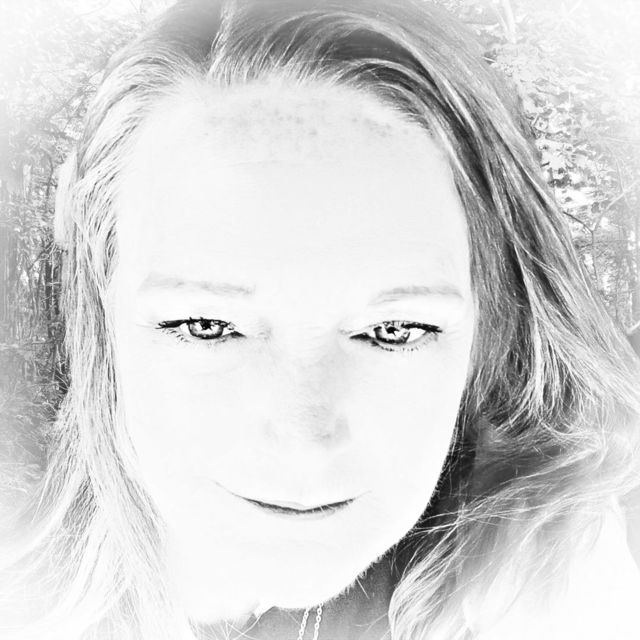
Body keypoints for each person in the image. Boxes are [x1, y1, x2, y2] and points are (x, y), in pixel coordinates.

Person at [1, 0, 639, 638]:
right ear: (97, 270)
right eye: (206, 326)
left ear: (484, 317)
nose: (304, 442)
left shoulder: (567, 586)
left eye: (394, 331)